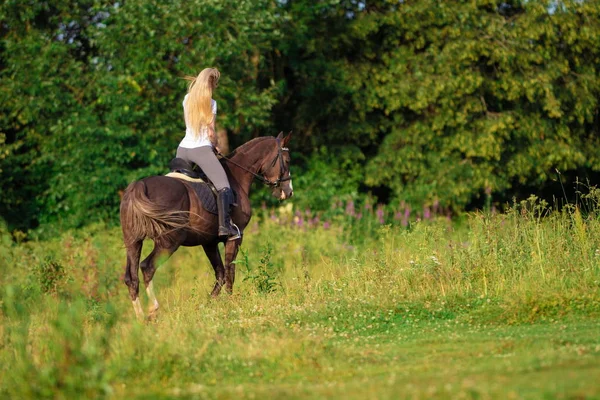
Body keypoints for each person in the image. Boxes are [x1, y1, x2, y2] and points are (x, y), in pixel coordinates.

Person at [176, 67, 240, 240]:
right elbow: (211, 132)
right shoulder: (211, 103)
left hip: (182, 149)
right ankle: (224, 227)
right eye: (215, 84)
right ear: (210, 83)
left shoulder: (187, 99)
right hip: (201, 150)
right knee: (224, 187)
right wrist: (216, 145)